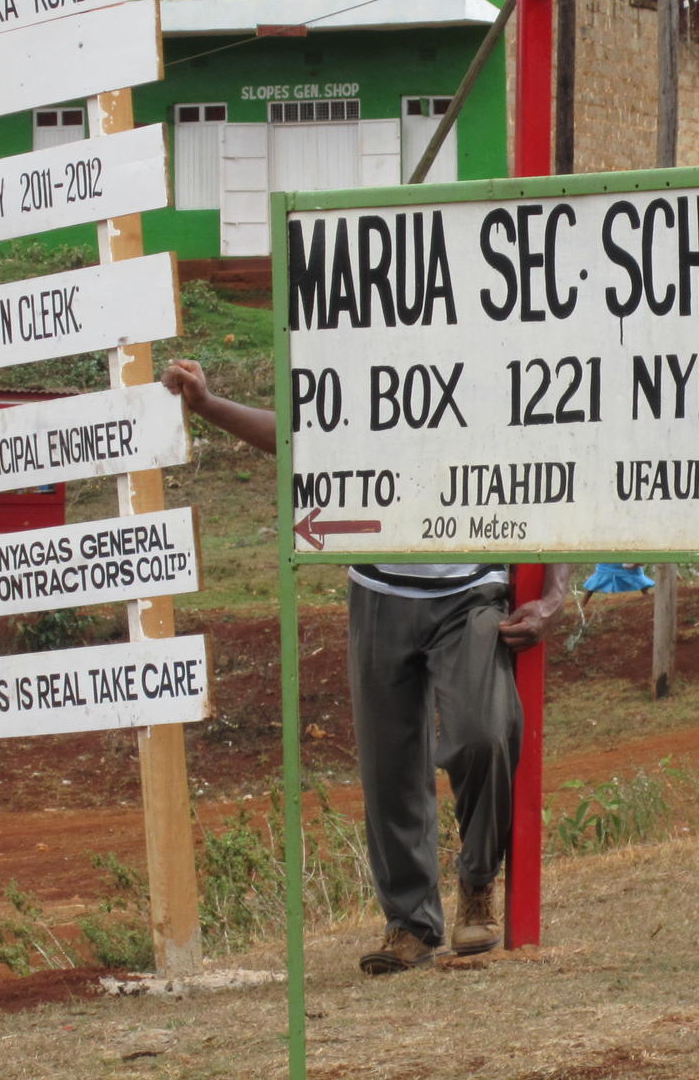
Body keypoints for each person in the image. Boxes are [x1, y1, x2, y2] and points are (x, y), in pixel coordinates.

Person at [159, 358, 568, 975]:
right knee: (388, 767)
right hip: (379, 587)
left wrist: (555, 597)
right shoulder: (374, 353)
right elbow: (306, 438)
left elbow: (560, 473)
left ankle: (478, 881)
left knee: (484, 732)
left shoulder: (499, 358)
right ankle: (411, 923)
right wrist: (209, 404)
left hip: (474, 587)